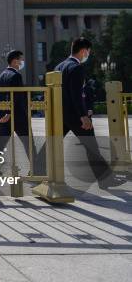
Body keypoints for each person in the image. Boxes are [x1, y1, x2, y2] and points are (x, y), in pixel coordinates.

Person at [55, 38, 124, 189]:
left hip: (60, 114)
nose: (88, 55)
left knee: (52, 144)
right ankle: (105, 180)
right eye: (88, 52)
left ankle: (37, 171)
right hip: (75, 115)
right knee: (92, 146)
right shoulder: (76, 67)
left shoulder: (59, 66)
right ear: (84, 51)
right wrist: (83, 116)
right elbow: (76, 95)